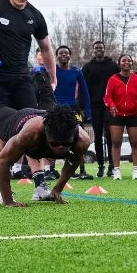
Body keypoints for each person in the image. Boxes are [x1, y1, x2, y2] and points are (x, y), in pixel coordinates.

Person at [0, 35, 89, 206]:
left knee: (52, 103)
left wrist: (57, 189)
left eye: (64, 145)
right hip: (16, 119)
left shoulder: (81, 140)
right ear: (46, 133)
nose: (59, 151)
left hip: (45, 112)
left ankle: (39, 74)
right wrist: (8, 201)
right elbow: (2, 162)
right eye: (54, 144)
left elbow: (72, 163)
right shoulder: (30, 133)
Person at [47, 45, 93, 179]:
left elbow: (85, 93)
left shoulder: (77, 71)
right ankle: (51, 170)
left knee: (80, 138)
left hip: (73, 108)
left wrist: (88, 113)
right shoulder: (52, 70)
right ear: (56, 56)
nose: (64, 55)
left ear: (70, 56)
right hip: (56, 107)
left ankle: (82, 171)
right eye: (61, 53)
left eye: (66, 53)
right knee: (52, 136)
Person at [102, 54, 137, 180]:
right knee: (116, 142)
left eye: (129, 60)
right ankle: (116, 171)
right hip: (117, 114)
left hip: (134, 114)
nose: (126, 62)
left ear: (132, 63)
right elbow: (107, 97)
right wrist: (111, 105)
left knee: (136, 143)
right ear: (119, 63)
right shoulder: (113, 79)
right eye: (124, 60)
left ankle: (136, 171)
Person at [81, 41, 118, 178]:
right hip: (94, 105)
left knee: (110, 135)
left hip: (110, 105)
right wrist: (84, 106)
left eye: (101, 48)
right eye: (96, 48)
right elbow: (82, 88)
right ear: (93, 50)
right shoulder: (88, 67)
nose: (98, 50)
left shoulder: (113, 66)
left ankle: (112, 166)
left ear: (104, 49)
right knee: (97, 136)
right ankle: (101, 166)